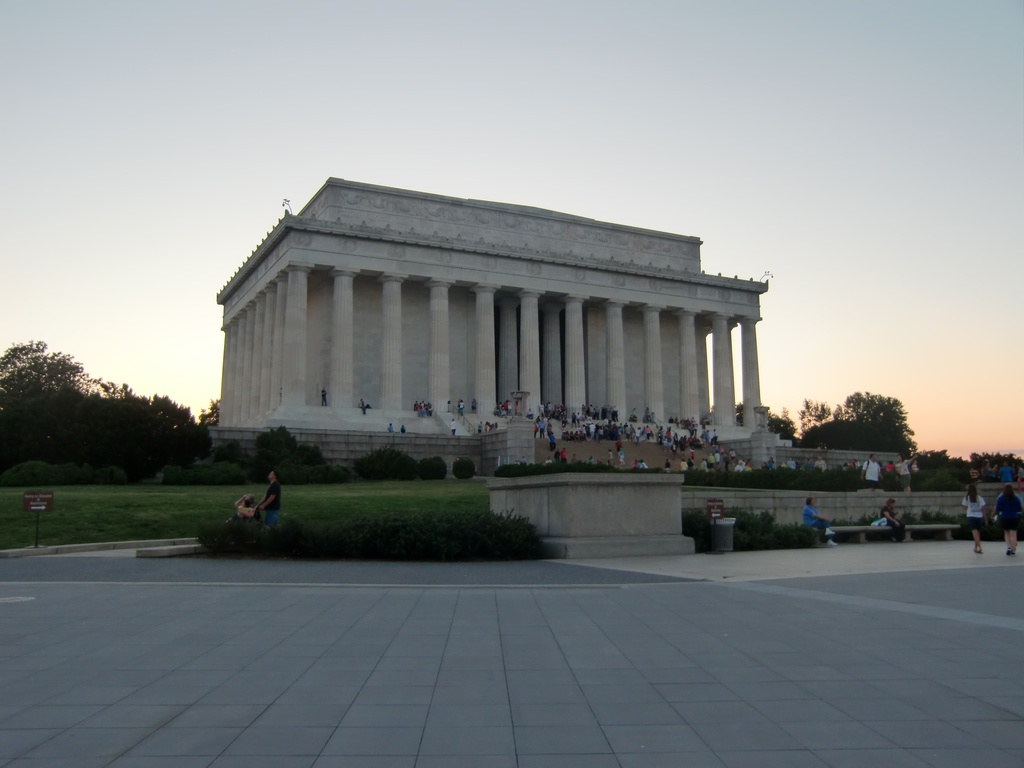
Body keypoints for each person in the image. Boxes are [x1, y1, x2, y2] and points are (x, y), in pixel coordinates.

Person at [994, 483, 1022, 556]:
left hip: (1004, 517)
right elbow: (1019, 508)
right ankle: (1013, 549)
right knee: (1013, 533)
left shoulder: (1001, 498)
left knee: (1006, 533)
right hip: (1014, 517)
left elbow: (998, 508)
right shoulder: (1016, 498)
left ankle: (1009, 547)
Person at [961, 484, 988, 554]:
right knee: (978, 533)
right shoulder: (979, 498)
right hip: (979, 516)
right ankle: (976, 547)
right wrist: (985, 519)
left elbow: (964, 506)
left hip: (971, 516)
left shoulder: (967, 498)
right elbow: (983, 509)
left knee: (975, 533)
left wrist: (968, 509)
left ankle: (979, 547)